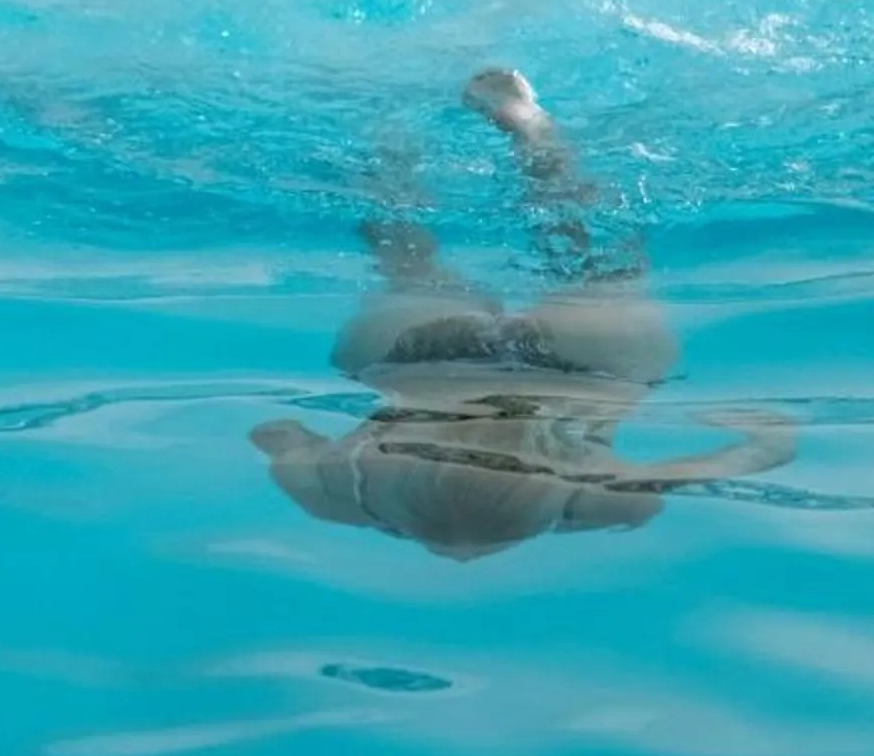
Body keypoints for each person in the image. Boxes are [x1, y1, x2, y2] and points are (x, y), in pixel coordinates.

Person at [253, 69, 793, 559]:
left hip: (582, 373)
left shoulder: (598, 501)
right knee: (404, 256)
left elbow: (731, 465)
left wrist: (765, 442)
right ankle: (388, 127)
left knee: (601, 268)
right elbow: (275, 432)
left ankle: (532, 129)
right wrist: (349, 471)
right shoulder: (338, 496)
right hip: (417, 364)